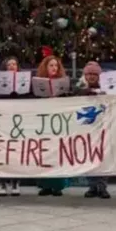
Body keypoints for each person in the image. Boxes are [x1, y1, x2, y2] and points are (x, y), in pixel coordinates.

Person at [35, 55, 71, 196]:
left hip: (58, 122)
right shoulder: (38, 82)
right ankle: (45, 185)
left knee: (58, 153)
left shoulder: (63, 82)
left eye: (56, 66)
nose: (54, 68)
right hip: (43, 122)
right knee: (44, 153)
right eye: (51, 65)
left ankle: (58, 186)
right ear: (45, 67)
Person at [74, 61, 110, 199]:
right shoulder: (79, 87)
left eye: (95, 74)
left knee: (102, 156)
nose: (92, 77)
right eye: (89, 74)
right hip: (85, 127)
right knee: (89, 155)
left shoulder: (106, 87)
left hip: (102, 126)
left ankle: (102, 185)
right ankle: (92, 185)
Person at [0, 56, 28, 197]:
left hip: (19, 119)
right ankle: (2, 182)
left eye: (14, 64)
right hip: (4, 118)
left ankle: (16, 181)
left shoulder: (25, 81)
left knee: (16, 151)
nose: (12, 66)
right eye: (9, 64)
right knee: (2, 151)